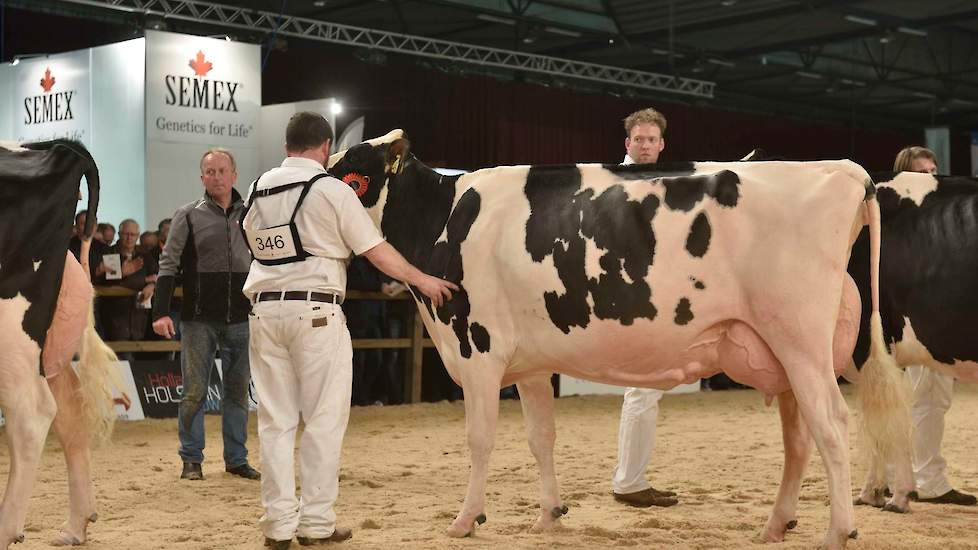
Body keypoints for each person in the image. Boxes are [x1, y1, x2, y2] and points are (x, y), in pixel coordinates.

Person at [242, 111, 457, 549]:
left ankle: (278, 527)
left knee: (275, 423)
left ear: (287, 146)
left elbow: (252, 238)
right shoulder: (332, 190)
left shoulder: (257, 187)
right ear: (325, 148)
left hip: (264, 313)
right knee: (323, 420)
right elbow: (377, 252)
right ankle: (316, 523)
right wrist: (423, 279)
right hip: (316, 314)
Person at [151, 148, 259, 482]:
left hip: (242, 316)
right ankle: (191, 458)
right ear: (202, 178)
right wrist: (160, 312)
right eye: (209, 172)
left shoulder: (252, 213)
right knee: (194, 391)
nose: (216, 177)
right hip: (198, 319)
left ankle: (236, 459)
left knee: (238, 393)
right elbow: (168, 264)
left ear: (234, 175)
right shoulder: (188, 214)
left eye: (222, 170)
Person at [890, 146, 975, 506]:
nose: (931, 178)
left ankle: (899, 478)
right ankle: (929, 481)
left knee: (923, 399)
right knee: (928, 399)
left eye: (934, 171)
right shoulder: (909, 221)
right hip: (922, 321)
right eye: (921, 173)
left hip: (928, 316)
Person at [611, 108, 678, 508]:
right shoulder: (616, 182)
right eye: (639, 139)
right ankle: (629, 482)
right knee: (644, 386)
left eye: (652, 139)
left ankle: (631, 478)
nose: (646, 145)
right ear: (628, 143)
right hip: (627, 296)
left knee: (647, 388)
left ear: (662, 144)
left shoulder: (666, 182)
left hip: (649, 293)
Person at [95, 219, 157, 346]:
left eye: (133, 235)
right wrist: (141, 279)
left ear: (138, 236)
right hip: (114, 316)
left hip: (140, 318)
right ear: (119, 234)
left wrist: (152, 285)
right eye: (126, 234)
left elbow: (157, 276)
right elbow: (106, 283)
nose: (129, 238)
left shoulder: (145, 255)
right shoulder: (108, 253)